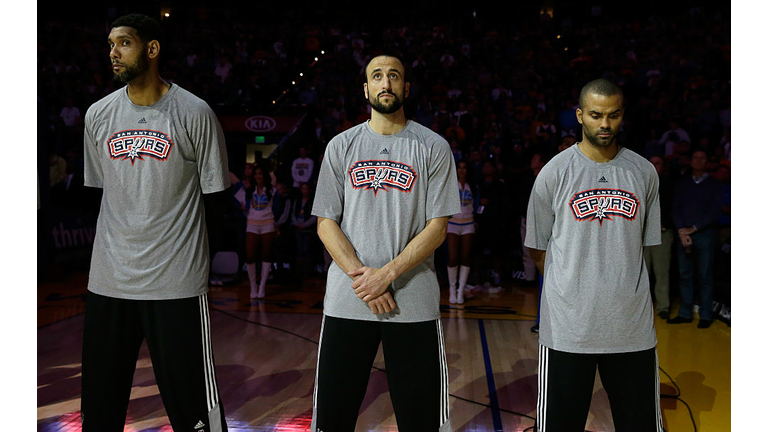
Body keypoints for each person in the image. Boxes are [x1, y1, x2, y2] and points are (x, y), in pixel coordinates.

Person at [81, 14, 229, 432]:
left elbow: (215, 198)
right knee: (99, 411)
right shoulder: (98, 115)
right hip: (109, 280)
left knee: (196, 417)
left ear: (151, 48)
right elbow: (101, 191)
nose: (113, 52)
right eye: (110, 44)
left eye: (124, 43)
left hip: (175, 284)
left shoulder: (194, 111)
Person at [310, 54, 460, 432]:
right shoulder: (341, 145)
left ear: (406, 88)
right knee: (333, 416)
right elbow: (326, 222)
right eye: (377, 76)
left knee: (419, 419)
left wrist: (388, 273)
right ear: (366, 89)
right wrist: (364, 279)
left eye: (394, 76)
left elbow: (438, 227)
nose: (386, 82)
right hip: (348, 299)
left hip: (413, 302)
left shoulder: (433, 146)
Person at [525, 78, 663, 432]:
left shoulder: (644, 172)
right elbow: (537, 248)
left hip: (630, 328)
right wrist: (570, 286)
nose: (605, 124)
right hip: (570, 328)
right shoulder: (554, 173)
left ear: (622, 116)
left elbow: (642, 247)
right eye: (597, 115)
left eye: (613, 115)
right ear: (580, 116)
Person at [667, 149, 722, 329]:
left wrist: (694, 228)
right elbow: (675, 208)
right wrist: (682, 230)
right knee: (685, 275)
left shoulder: (714, 184)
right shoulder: (683, 183)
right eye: (696, 158)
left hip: (704, 234)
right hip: (684, 234)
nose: (699, 161)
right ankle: (685, 313)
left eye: (702, 158)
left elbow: (715, 211)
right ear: (690, 162)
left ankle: (706, 314)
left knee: (705, 276)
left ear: (707, 162)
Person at [643, 155, 675, 319]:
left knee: (662, 272)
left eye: (659, 163)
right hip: (641, 235)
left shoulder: (669, 184)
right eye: (652, 163)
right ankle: (643, 308)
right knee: (643, 273)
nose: (655, 166)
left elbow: (675, 207)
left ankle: (663, 306)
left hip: (662, 233)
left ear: (664, 166)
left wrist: (665, 223)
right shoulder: (639, 182)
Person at [238, 165, 277, 298]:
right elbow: (237, 199)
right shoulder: (248, 190)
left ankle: (262, 287)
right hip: (252, 224)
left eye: (260, 173)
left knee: (266, 254)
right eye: (256, 174)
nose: (258, 176)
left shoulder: (272, 190)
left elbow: (277, 207)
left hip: (268, 223)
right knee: (250, 255)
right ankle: (253, 286)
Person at [446, 159, 478, 304]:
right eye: (459, 167)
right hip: (452, 224)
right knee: (453, 258)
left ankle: (461, 291)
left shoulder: (474, 186)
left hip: (468, 224)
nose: (462, 170)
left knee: (465, 257)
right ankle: (452, 289)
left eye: (464, 167)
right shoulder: (450, 185)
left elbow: (476, 204)